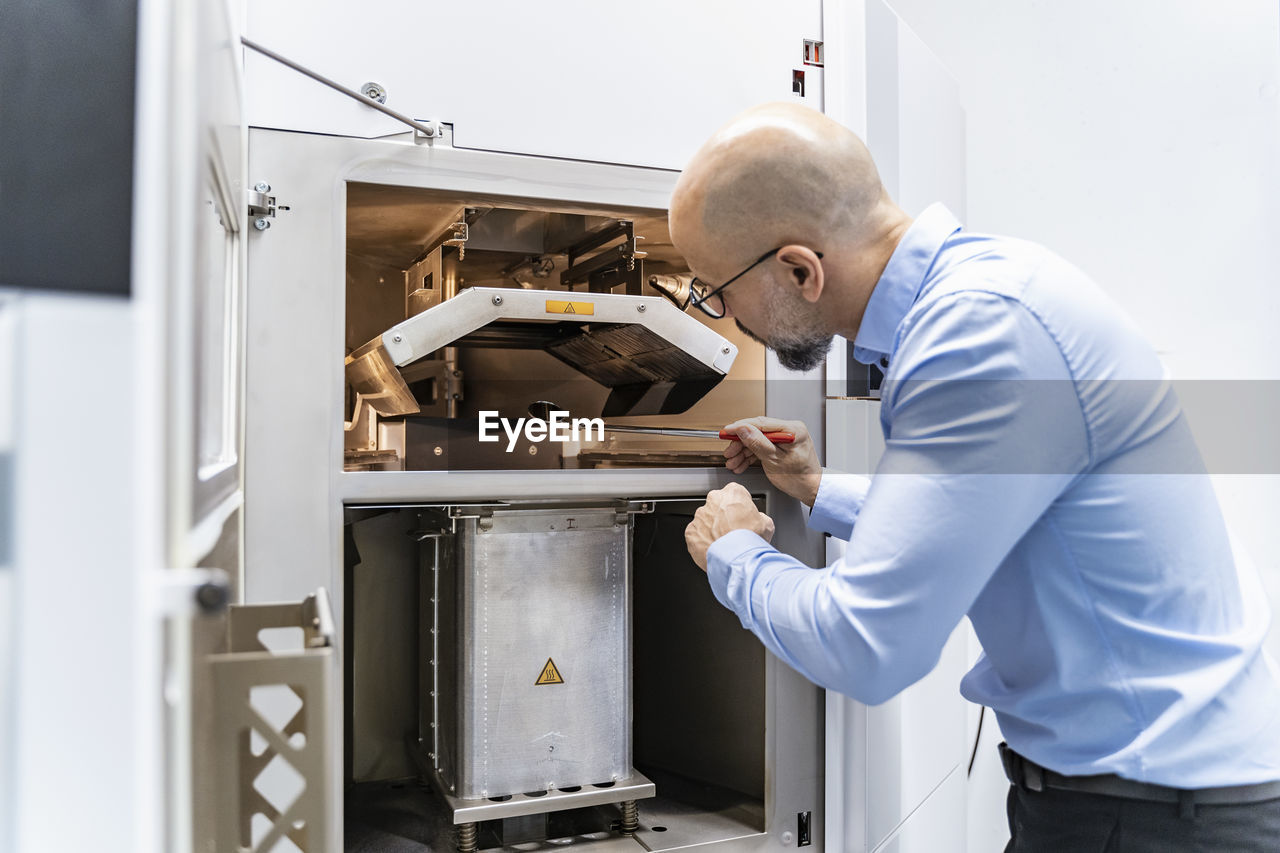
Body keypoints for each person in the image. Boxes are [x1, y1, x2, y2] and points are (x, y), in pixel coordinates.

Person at [673, 102, 1280, 851]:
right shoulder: (982, 294)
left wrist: (735, 552)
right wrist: (816, 487)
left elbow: (867, 645)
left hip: (1156, 817)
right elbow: (992, 515)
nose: (722, 314)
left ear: (800, 268)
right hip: (1142, 800)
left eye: (714, 291)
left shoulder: (978, 334)